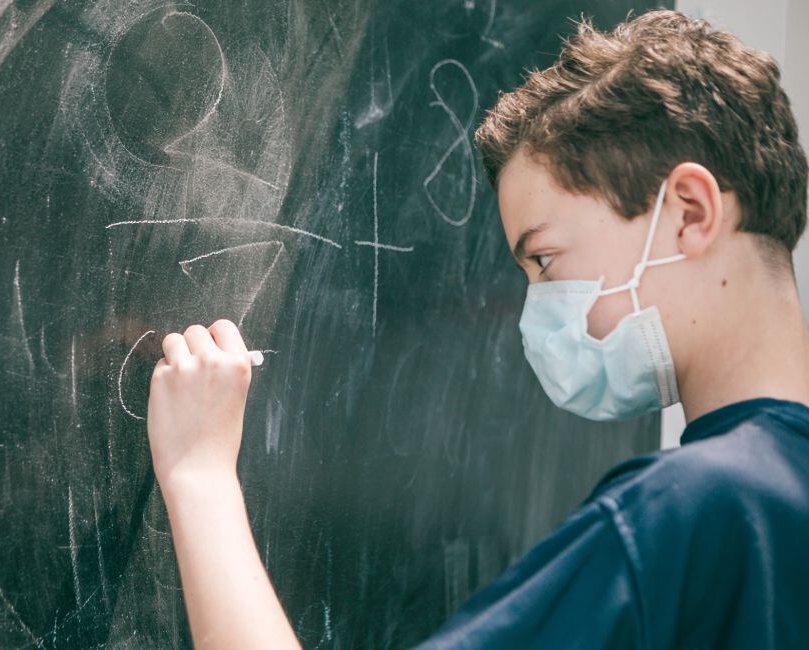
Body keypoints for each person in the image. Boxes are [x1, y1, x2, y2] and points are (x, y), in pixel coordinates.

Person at [145, 8, 809, 649]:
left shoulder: (685, 518)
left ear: (690, 213)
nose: (535, 314)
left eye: (546, 260)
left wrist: (198, 474)